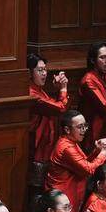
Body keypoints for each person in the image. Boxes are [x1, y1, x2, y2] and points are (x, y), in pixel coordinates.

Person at [27, 52, 68, 203]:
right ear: (29, 73)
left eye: (45, 69)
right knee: (36, 192)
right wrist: (63, 88)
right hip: (36, 151)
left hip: (45, 148)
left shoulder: (39, 90)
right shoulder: (32, 93)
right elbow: (60, 108)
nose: (44, 73)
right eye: (39, 70)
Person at [47, 109, 106, 209]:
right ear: (67, 129)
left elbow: (83, 163)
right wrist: (103, 153)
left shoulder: (71, 142)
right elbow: (89, 170)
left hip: (71, 196)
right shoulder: (66, 147)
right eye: (80, 127)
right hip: (62, 201)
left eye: (85, 126)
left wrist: (97, 151)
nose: (84, 130)